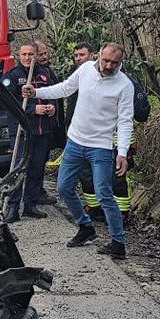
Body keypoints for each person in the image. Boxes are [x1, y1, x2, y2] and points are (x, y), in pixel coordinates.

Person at [23, 43, 135, 259]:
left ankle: (118, 242)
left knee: (104, 194)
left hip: (101, 147)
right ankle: (85, 227)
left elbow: (125, 121)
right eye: (106, 60)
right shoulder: (85, 70)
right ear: (99, 56)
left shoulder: (124, 85)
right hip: (75, 142)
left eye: (115, 63)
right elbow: (64, 89)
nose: (109, 65)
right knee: (64, 188)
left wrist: (122, 152)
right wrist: (37, 92)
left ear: (121, 63)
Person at [0, 42, 59, 222]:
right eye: (24, 54)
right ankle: (12, 207)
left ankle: (30, 205)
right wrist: (33, 110)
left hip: (42, 131)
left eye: (31, 54)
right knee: (18, 169)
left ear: (36, 55)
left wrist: (51, 108)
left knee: (37, 168)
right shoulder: (12, 76)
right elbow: (8, 103)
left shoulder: (45, 74)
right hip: (21, 132)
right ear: (19, 55)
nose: (27, 58)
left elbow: (53, 95)